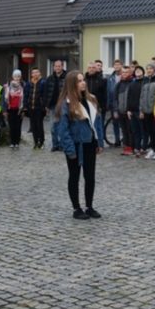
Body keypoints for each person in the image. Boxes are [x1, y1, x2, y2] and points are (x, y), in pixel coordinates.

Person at [55, 71, 104, 220]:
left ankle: (89, 206)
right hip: (76, 145)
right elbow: (63, 130)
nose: (83, 83)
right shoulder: (66, 103)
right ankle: (76, 208)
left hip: (90, 143)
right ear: (72, 84)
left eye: (83, 80)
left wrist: (99, 141)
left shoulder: (91, 99)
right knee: (74, 176)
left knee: (90, 176)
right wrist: (70, 149)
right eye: (79, 81)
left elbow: (97, 122)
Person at [44, 60, 67, 152]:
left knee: (63, 126)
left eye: (59, 66)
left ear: (62, 66)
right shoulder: (50, 78)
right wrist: (46, 105)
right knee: (53, 126)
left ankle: (62, 144)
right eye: (56, 66)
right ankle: (55, 144)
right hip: (52, 105)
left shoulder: (67, 77)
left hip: (63, 105)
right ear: (53, 67)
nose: (57, 68)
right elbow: (46, 92)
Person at [23, 67, 48, 149]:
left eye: (36, 72)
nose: (35, 74)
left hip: (39, 108)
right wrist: (25, 106)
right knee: (33, 125)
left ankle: (41, 141)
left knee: (39, 125)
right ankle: (35, 142)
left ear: (39, 73)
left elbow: (45, 95)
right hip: (31, 107)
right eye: (33, 73)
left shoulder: (43, 82)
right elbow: (26, 95)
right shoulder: (29, 83)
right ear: (31, 74)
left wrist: (44, 105)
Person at [140, 64, 155, 160]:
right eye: (147, 69)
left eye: (150, 69)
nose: (148, 70)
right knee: (150, 131)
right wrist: (141, 109)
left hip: (154, 110)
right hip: (146, 110)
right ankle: (153, 148)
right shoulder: (144, 80)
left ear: (154, 70)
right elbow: (141, 96)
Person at [127, 65, 145, 157]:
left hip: (140, 111)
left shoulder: (144, 83)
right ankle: (137, 147)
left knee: (143, 131)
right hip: (132, 111)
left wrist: (142, 110)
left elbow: (144, 98)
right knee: (135, 131)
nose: (137, 71)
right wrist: (128, 110)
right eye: (136, 70)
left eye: (139, 70)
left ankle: (143, 147)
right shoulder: (132, 83)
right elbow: (129, 97)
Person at [5, 69, 26, 149]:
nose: (17, 78)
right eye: (15, 76)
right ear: (13, 77)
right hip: (10, 109)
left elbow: (24, 98)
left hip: (19, 109)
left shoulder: (23, 86)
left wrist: (23, 109)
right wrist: (5, 109)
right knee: (11, 126)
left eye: (18, 76)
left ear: (20, 77)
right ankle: (12, 142)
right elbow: (5, 98)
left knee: (18, 126)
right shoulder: (8, 86)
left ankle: (17, 142)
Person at [106, 59, 124, 148]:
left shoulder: (124, 76)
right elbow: (108, 91)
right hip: (114, 103)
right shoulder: (110, 78)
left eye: (118, 65)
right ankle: (117, 140)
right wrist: (108, 104)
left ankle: (126, 140)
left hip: (123, 103)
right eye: (115, 65)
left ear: (121, 66)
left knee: (124, 123)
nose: (117, 66)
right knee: (115, 123)